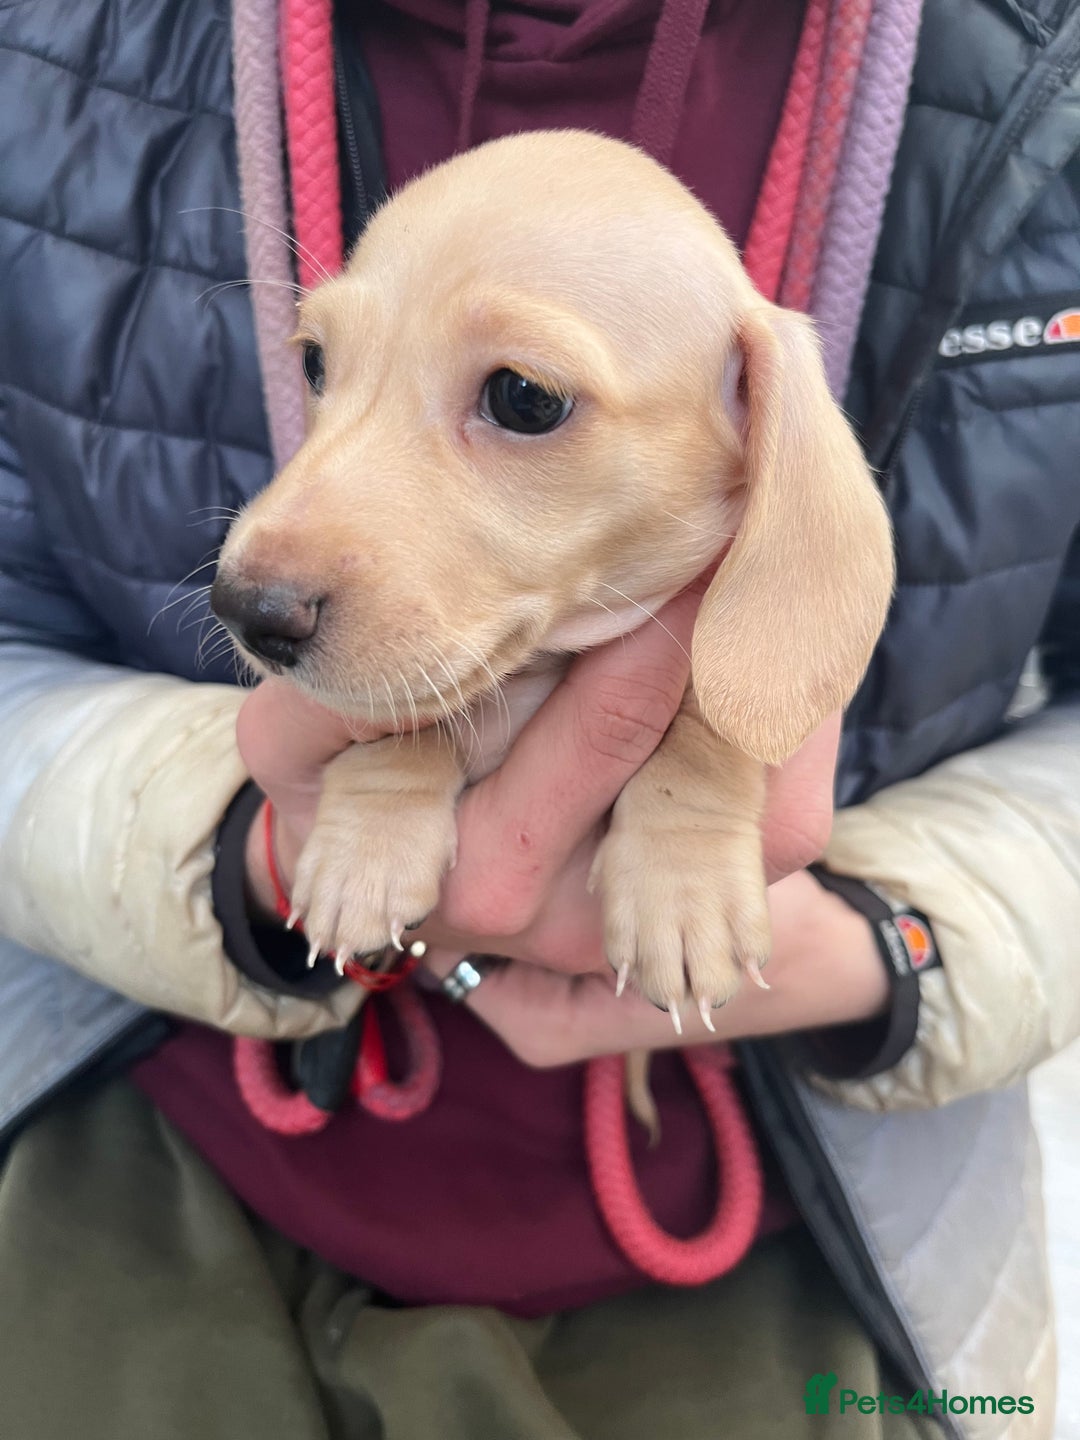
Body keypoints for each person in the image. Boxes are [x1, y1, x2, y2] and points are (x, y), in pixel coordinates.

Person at [1, 0, 1079, 1436]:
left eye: (519, 396)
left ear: (756, 422)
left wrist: (888, 947)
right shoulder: (52, 43)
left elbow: (772, 643)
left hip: (789, 1240)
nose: (269, 553)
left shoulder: (1039, 73)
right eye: (326, 363)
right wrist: (264, 845)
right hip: (170, 1156)